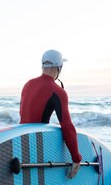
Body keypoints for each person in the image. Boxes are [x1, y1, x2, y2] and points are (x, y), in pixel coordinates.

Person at [19, 50, 82, 178]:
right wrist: (76, 158)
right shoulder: (57, 91)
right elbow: (67, 126)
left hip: (20, 141)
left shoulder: (28, 84)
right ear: (59, 66)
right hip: (37, 145)